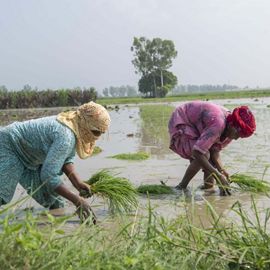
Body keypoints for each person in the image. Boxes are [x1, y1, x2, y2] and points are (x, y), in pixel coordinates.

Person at [0, 101, 111, 222]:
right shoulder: (66, 136)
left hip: (31, 156)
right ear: (85, 123)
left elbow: (66, 159)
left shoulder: (73, 125)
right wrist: (77, 200)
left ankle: (48, 231)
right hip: (10, 144)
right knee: (3, 195)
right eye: (96, 132)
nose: (98, 136)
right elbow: (48, 175)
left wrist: (78, 183)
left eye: (101, 133)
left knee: (55, 203)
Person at [168, 100, 256, 195]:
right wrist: (218, 175)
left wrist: (222, 171)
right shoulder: (218, 124)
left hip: (199, 125)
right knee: (204, 154)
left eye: (240, 136)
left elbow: (215, 150)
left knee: (209, 160)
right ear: (232, 126)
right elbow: (197, 152)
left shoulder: (229, 130)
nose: (236, 138)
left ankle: (208, 190)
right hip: (182, 120)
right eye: (237, 134)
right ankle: (181, 186)